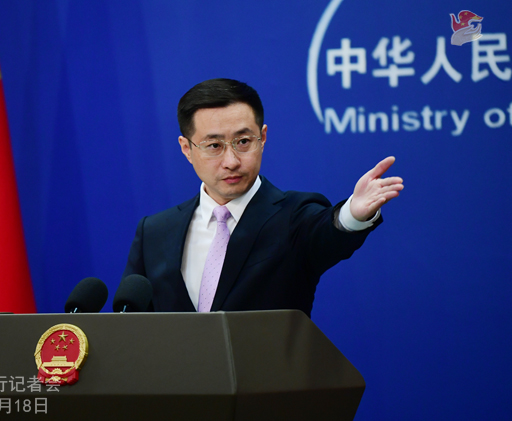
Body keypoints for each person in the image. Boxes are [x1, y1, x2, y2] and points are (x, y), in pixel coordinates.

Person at [122, 78, 403, 316]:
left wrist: (352, 214)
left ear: (263, 137)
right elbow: (134, 327)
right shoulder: (155, 232)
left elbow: (327, 233)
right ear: (187, 149)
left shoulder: (295, 216)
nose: (231, 161)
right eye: (214, 145)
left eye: (243, 142)